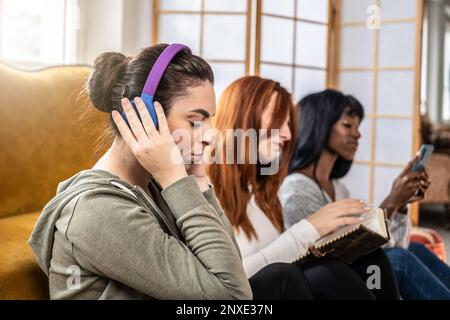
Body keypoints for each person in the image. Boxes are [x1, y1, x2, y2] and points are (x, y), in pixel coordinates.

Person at [28, 44, 310, 300]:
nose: (210, 136)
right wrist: (177, 178)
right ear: (146, 118)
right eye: (195, 121)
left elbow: (231, 268)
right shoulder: (97, 210)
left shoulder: (154, 188)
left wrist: (197, 179)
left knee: (294, 278)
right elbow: (233, 297)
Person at [207, 76, 400, 300]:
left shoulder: (261, 191)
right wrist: (310, 228)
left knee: (370, 260)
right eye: (278, 119)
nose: (288, 134)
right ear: (244, 117)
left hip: (288, 285)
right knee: (326, 274)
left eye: (289, 123)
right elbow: (228, 280)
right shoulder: (207, 191)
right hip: (246, 296)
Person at [281, 89, 450, 300]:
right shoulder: (296, 189)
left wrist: (400, 204)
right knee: (397, 261)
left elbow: (390, 245)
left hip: (352, 271)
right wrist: (390, 202)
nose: (358, 134)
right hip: (325, 280)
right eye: (347, 125)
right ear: (320, 126)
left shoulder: (339, 189)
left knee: (413, 249)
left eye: (358, 126)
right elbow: (328, 255)